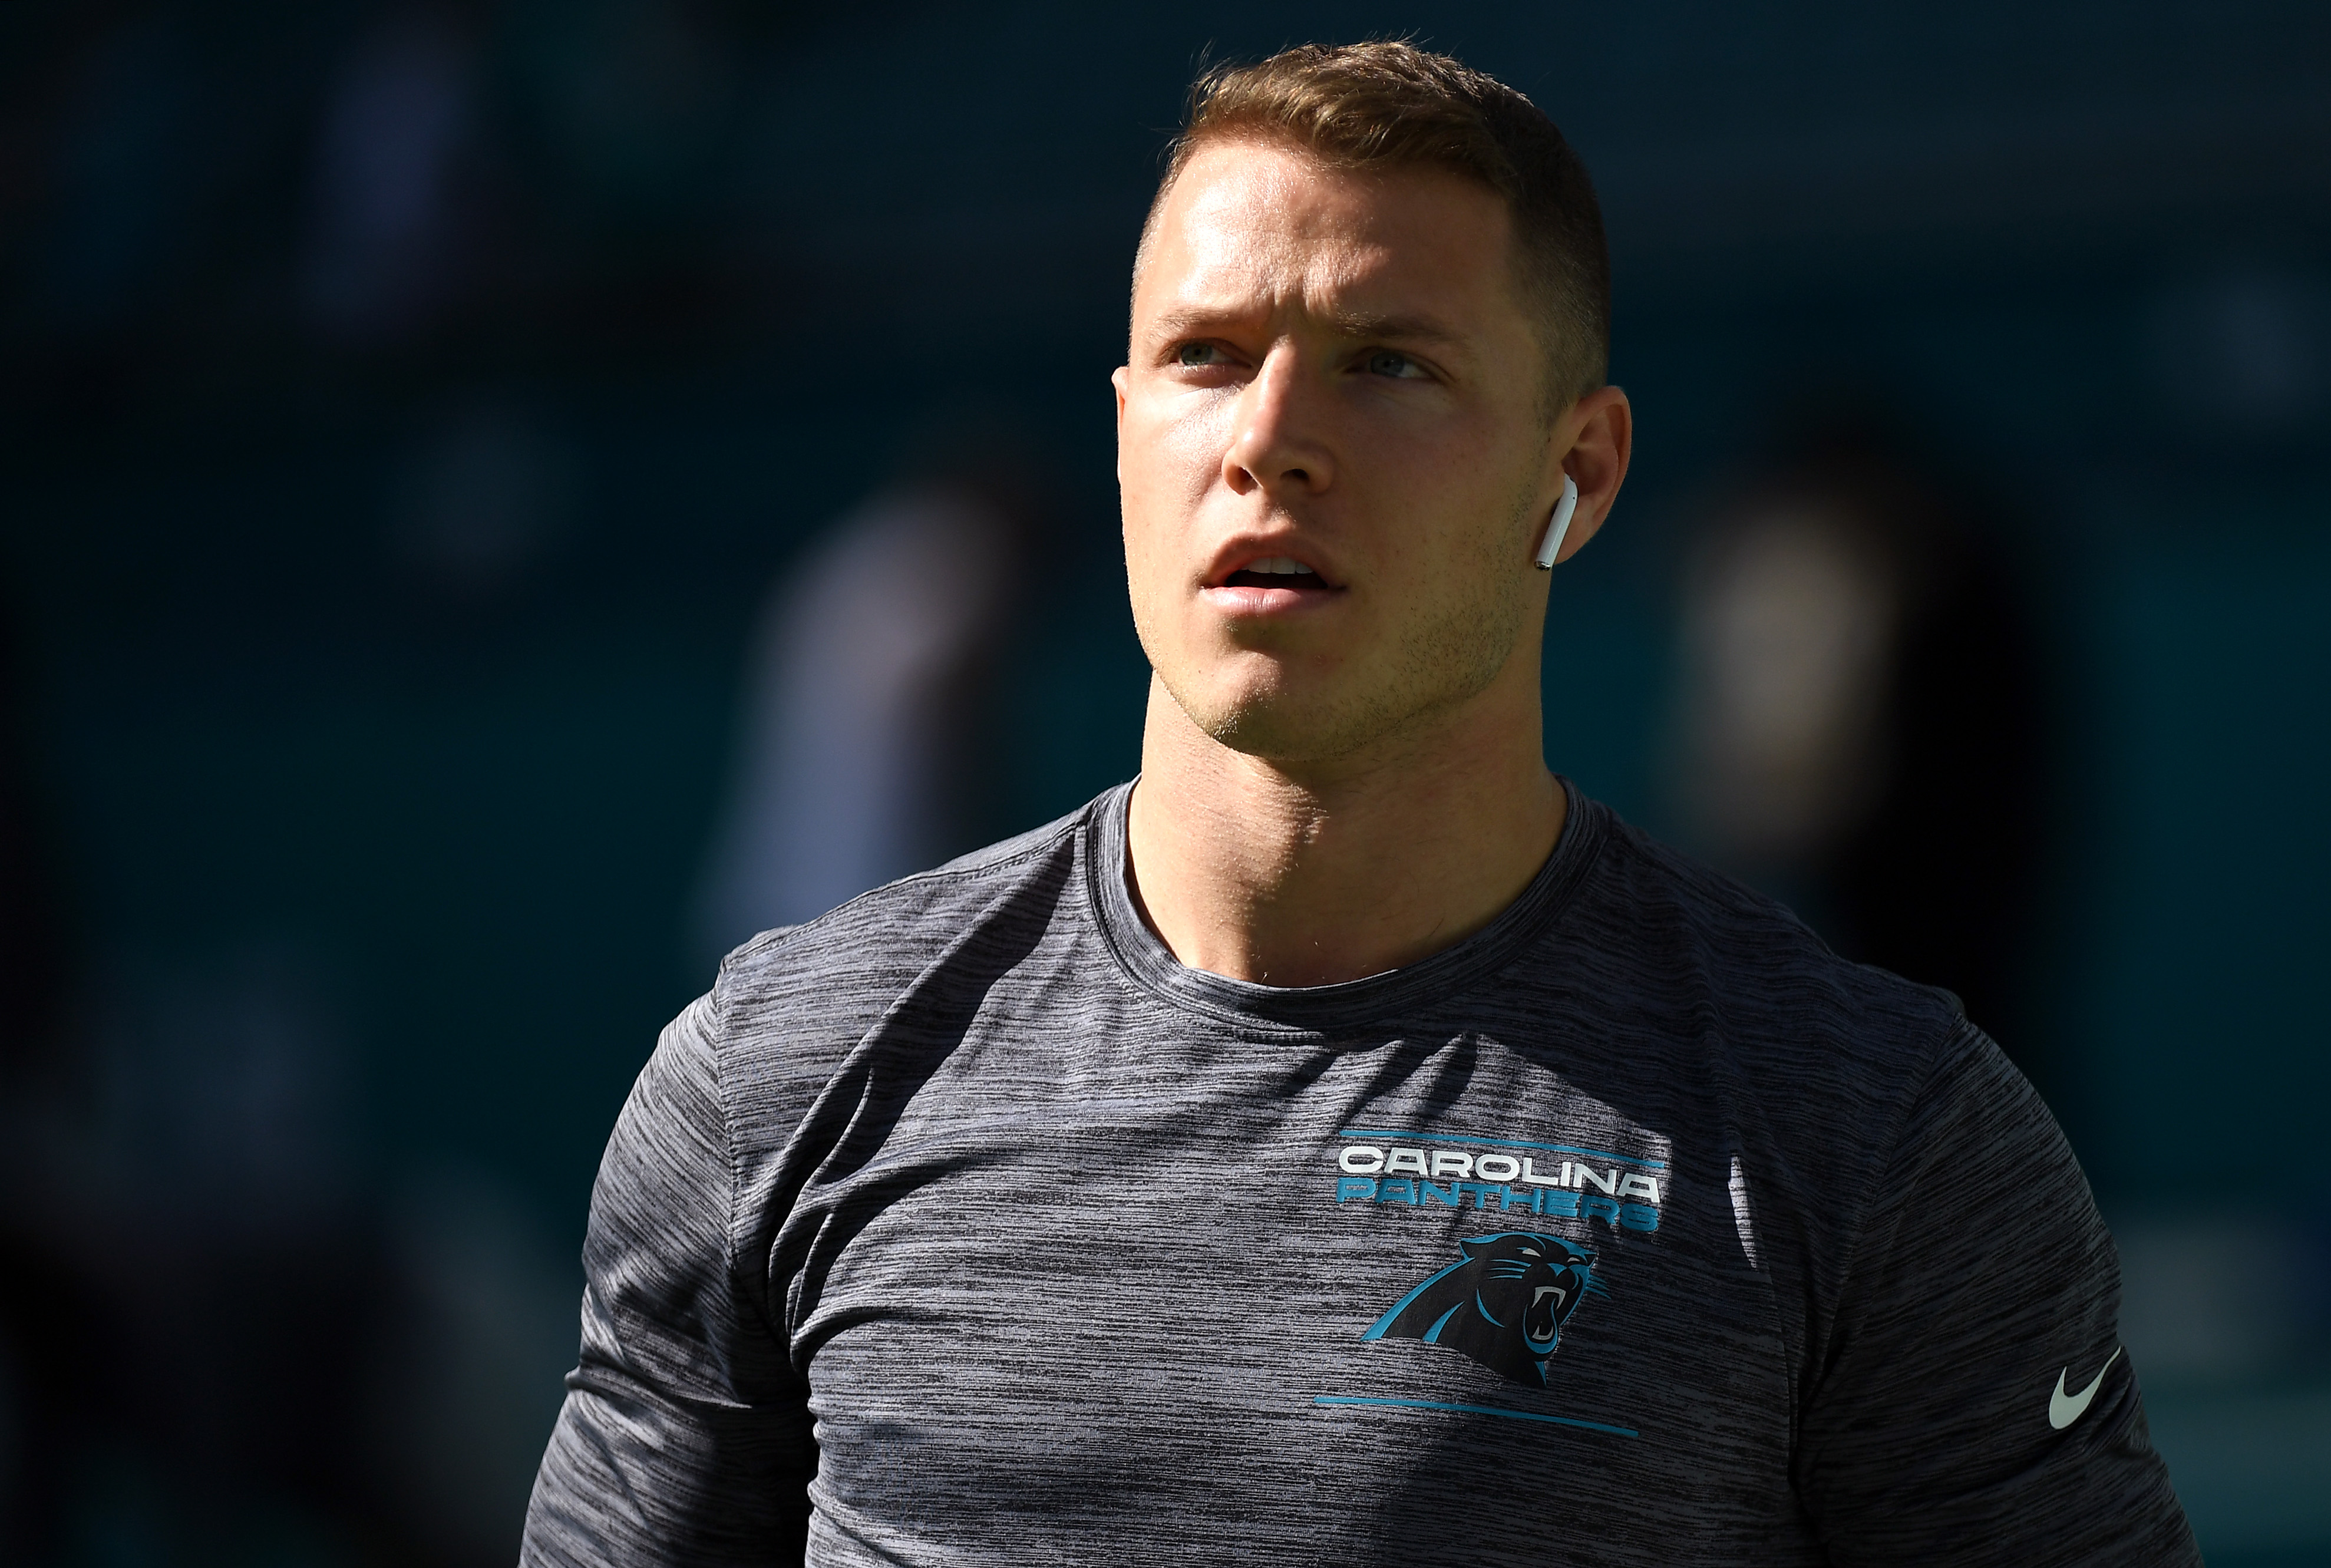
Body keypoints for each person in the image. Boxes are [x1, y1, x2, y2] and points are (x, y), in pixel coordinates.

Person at [521, 42, 2197, 1565]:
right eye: (1202, 357)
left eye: (1385, 365)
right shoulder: (772, 1084)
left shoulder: (1875, 1139)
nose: (1268, 439)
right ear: (1121, 435)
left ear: (1578, 473)